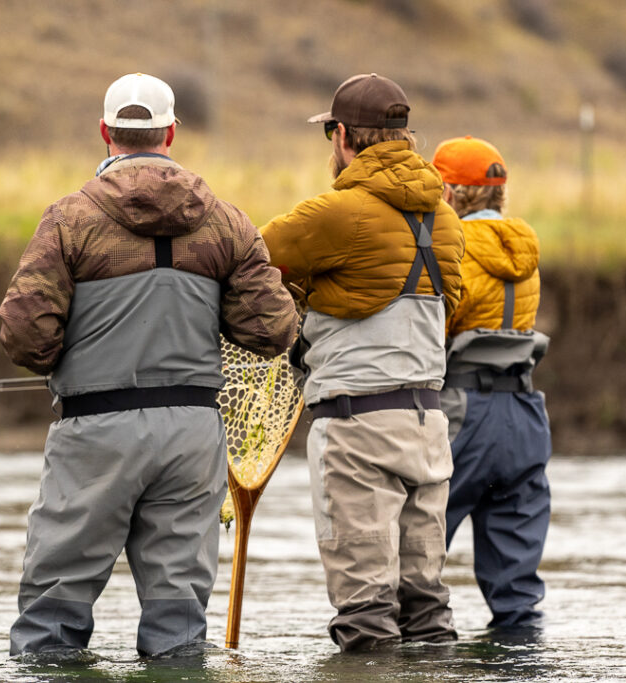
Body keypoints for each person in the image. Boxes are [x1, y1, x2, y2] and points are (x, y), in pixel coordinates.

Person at [0, 73, 299, 660]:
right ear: (171, 133)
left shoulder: (69, 219)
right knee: (179, 622)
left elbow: (24, 334)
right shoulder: (227, 223)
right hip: (192, 439)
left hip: (95, 432)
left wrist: (78, 351)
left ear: (106, 132)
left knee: (52, 620)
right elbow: (271, 331)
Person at [260, 73, 465, 651]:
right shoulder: (446, 220)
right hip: (429, 429)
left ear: (343, 136)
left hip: (355, 429)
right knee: (426, 609)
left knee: (366, 616)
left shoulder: (336, 213)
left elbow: (247, 257)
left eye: (330, 134)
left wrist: (297, 300)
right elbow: (458, 301)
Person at [431, 135, 552, 629]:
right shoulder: (524, 248)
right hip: (524, 415)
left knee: (417, 558)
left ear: (453, 192)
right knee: (518, 597)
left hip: (462, 413)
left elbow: (432, 328)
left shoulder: (451, 247)